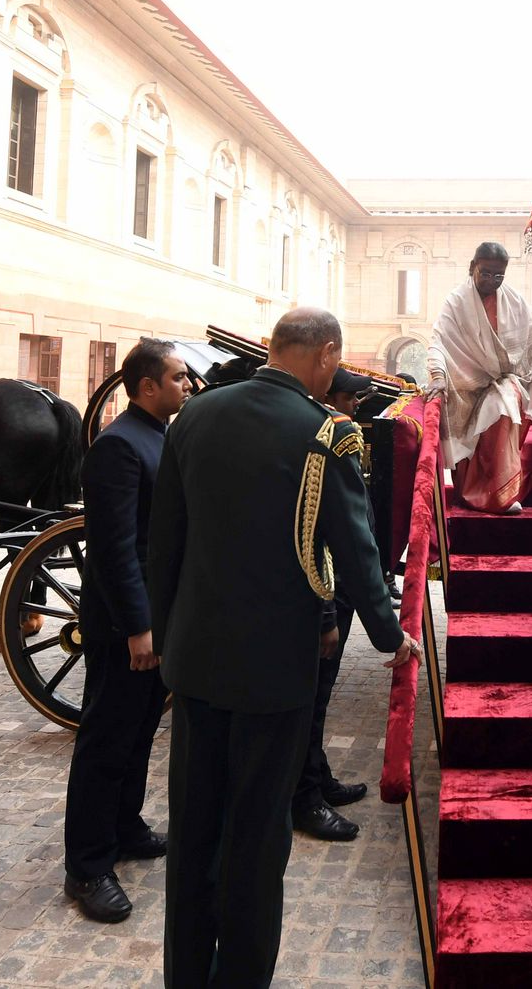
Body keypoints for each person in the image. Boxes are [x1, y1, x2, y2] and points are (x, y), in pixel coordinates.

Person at [148, 307, 416, 987]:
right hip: (275, 668)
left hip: (197, 662)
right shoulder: (327, 432)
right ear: (325, 354)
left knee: (194, 833)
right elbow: (356, 551)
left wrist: (168, 636)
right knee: (257, 842)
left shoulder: (195, 415)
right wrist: (390, 636)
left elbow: (164, 542)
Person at [61, 338, 190, 923]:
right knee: (106, 740)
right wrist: (138, 627)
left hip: (156, 619)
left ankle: (125, 825)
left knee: (138, 731)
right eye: (178, 378)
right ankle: (87, 866)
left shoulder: (158, 435)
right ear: (147, 386)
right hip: (125, 625)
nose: (186, 386)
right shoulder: (118, 445)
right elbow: (114, 549)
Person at [293, 366, 377, 843]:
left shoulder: (337, 433)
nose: (356, 407)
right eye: (351, 399)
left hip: (337, 590)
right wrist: (329, 612)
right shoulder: (327, 438)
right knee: (313, 694)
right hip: (325, 589)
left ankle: (317, 775)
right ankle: (305, 798)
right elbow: (320, 536)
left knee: (320, 697)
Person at [425, 241, 532, 513]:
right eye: (486, 273)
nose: (492, 280)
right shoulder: (456, 301)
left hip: (506, 381)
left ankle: (498, 497)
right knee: (474, 443)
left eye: (499, 275)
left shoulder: (515, 301)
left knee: (501, 408)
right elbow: (438, 342)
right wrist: (438, 376)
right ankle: (471, 495)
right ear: (472, 267)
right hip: (465, 387)